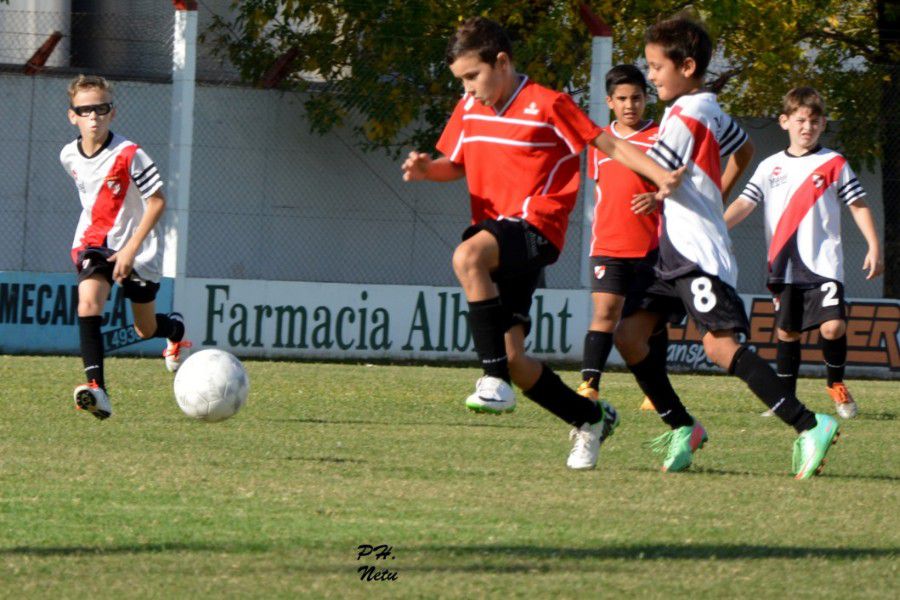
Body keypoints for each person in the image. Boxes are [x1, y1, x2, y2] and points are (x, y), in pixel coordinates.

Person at [401, 17, 681, 470]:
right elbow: (454, 164)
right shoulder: (469, 108)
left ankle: (491, 380)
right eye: (462, 81)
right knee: (516, 359)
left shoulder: (548, 103)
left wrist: (659, 175)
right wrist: (424, 170)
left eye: (473, 76)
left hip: (537, 226)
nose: (468, 89)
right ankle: (588, 417)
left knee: (467, 255)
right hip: (500, 235)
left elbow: (607, 144)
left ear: (502, 62)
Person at [614, 16, 840, 479]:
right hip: (670, 252)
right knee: (629, 336)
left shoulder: (685, 115)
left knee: (719, 348)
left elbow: (659, 172)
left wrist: (600, 139)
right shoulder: (708, 108)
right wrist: (710, 195)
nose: (651, 75)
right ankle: (683, 427)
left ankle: (809, 423)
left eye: (657, 67)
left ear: (688, 65)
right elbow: (744, 150)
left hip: (695, 252)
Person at [724, 87, 884, 420]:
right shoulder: (770, 167)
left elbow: (858, 204)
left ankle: (836, 385)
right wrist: (717, 227)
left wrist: (873, 245)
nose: (806, 127)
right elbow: (744, 202)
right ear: (785, 122)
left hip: (824, 263)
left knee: (833, 327)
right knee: (787, 333)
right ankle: (784, 398)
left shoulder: (834, 163)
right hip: (782, 265)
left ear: (823, 124)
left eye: (814, 121)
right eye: (800, 120)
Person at [61, 74, 191, 420]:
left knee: (144, 328)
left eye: (100, 109)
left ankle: (174, 329)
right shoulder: (68, 156)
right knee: (88, 303)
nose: (93, 117)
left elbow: (158, 202)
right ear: (72, 115)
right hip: (95, 243)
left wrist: (131, 248)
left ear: (112, 113)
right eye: (85, 110)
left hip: (139, 249)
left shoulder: (130, 154)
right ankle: (96, 389)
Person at [578, 64, 660, 413]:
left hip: (652, 247)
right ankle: (589, 384)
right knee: (605, 313)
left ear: (646, 99)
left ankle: (655, 391)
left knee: (647, 321)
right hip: (609, 246)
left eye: (637, 98)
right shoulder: (598, 143)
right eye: (623, 99)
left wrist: (658, 198)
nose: (630, 105)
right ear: (610, 101)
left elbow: (679, 185)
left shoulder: (662, 136)